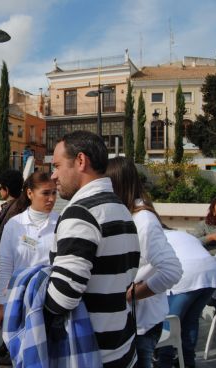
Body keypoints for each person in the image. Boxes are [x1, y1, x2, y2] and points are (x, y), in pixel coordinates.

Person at [46, 130, 140, 367]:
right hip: (121, 346)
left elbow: (63, 296)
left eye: (57, 166)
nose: (53, 175)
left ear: (80, 161)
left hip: (88, 352)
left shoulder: (81, 213)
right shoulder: (120, 208)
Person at [106, 157, 182, 367]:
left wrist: (133, 294)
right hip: (130, 320)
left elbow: (172, 271)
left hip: (142, 323)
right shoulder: (128, 216)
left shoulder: (144, 222)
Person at [0, 172, 58, 365]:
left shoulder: (61, 222)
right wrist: (2, 304)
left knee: (48, 353)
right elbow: (6, 266)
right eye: (46, 193)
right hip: (20, 302)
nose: (51, 198)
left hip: (51, 302)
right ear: (30, 193)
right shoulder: (15, 225)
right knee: (23, 353)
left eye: (55, 193)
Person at [158, 229, 216, 368]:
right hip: (210, 274)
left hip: (188, 274)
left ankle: (165, 363)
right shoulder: (182, 234)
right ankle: (188, 362)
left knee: (170, 323)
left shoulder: (154, 235)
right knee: (191, 321)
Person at [0, 169, 24, 361]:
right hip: (4, 260)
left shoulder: (16, 208)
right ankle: (6, 344)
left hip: (9, 262)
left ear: (7, 188)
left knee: (10, 306)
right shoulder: (12, 206)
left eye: (0, 188)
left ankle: (10, 347)